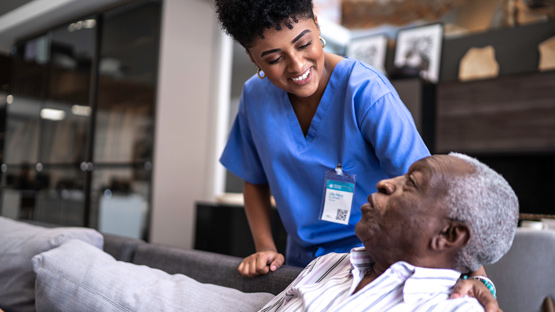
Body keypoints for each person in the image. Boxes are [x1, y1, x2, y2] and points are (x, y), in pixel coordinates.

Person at [216, 0, 430, 274]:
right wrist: (264, 248)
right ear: (252, 57)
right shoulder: (255, 97)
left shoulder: (366, 92)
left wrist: (475, 276)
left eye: (303, 44)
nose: (296, 65)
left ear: (316, 23)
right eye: (274, 59)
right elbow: (254, 182)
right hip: (302, 266)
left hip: (373, 260)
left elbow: (427, 190)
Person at [259, 153, 519, 311]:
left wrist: (481, 280)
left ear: (449, 235)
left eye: (412, 183)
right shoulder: (327, 265)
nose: (384, 182)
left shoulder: (451, 308)